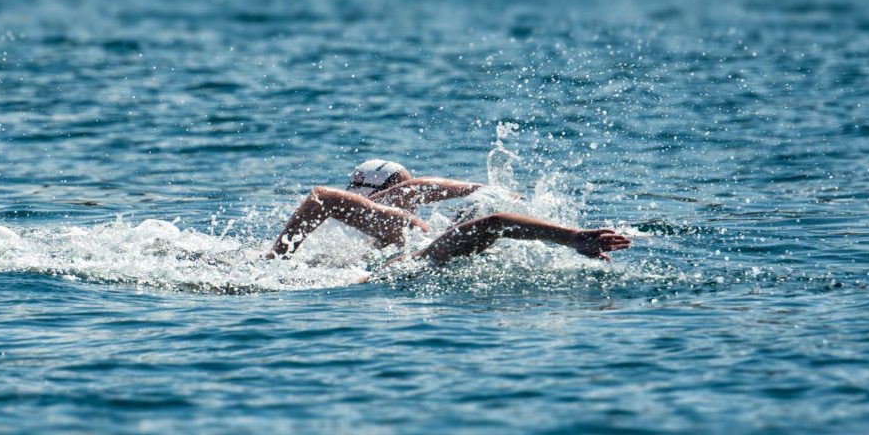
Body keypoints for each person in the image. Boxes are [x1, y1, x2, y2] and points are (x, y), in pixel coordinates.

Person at [267, 159, 630, 266]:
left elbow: (494, 223)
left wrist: (275, 258)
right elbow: (417, 188)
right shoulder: (406, 231)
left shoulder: (407, 232)